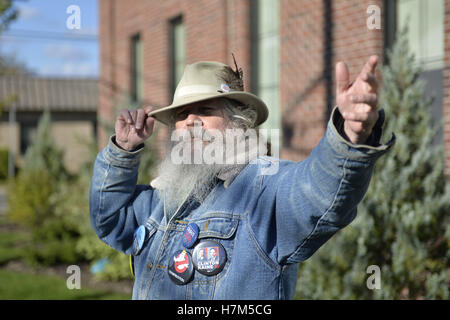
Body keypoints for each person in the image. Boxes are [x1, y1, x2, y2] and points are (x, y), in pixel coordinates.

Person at [90, 56, 395, 300]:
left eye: (205, 110)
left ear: (237, 124)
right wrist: (123, 151)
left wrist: (348, 138)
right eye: (181, 116)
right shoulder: (161, 197)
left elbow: (317, 194)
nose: (189, 122)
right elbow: (110, 220)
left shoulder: (263, 187)